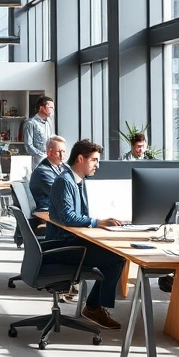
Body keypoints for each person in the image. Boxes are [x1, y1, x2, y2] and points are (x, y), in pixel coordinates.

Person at [46, 139, 126, 330]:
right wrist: (97, 222)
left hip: (72, 241)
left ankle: (94, 305)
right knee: (116, 258)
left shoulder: (77, 182)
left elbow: (78, 214)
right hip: (63, 247)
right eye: (94, 160)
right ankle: (94, 307)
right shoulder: (65, 181)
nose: (97, 165)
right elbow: (68, 217)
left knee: (114, 254)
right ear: (80, 159)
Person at [27, 135, 68, 212]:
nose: (62, 155)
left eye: (63, 151)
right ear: (49, 152)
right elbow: (61, 194)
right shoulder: (42, 171)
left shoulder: (62, 167)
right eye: (58, 152)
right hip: (46, 213)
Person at [22, 96, 54, 171]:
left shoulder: (49, 122)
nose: (52, 110)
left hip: (49, 162)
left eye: (53, 108)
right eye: (50, 107)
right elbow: (28, 145)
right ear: (41, 107)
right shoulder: (31, 123)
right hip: (37, 163)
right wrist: (42, 155)